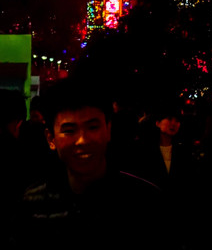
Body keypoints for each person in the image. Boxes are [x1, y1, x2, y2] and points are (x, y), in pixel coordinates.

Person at [18, 79, 163, 250]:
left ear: (108, 130)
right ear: (51, 138)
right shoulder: (33, 204)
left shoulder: (146, 202)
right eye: (69, 130)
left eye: (93, 127)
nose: (82, 140)